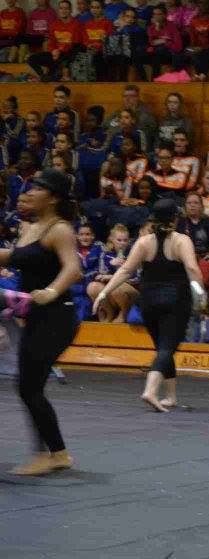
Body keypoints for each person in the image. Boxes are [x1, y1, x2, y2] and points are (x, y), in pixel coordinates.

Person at [0, 169, 80, 476]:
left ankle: (52, 455)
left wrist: (51, 291)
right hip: (37, 315)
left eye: (37, 188)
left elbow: (72, 268)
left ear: (54, 198)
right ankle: (55, 454)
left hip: (58, 315)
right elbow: (15, 258)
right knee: (28, 387)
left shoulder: (60, 230)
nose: (29, 192)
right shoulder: (31, 227)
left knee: (29, 387)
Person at [94, 198, 204, 411]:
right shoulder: (182, 241)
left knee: (163, 348)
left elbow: (126, 270)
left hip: (149, 301)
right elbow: (192, 268)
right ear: (176, 218)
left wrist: (104, 292)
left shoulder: (144, 242)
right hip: (175, 300)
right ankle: (151, 390)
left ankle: (170, 396)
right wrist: (200, 293)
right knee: (167, 347)